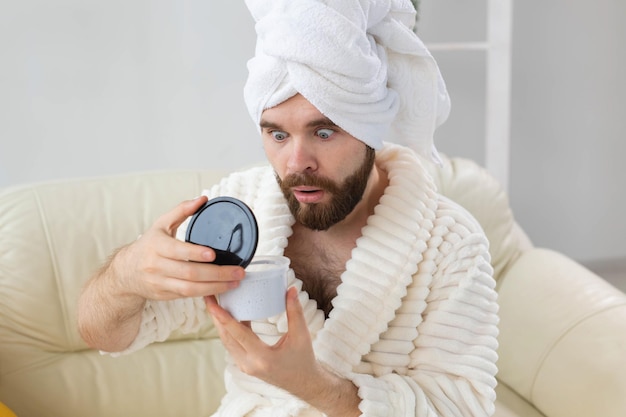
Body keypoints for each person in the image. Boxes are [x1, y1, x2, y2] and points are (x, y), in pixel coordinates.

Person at [78, 0, 499, 416]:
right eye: (278, 135)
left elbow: (461, 409)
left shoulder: (449, 243)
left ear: (370, 129)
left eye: (323, 131)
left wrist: (312, 386)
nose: (297, 163)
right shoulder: (238, 210)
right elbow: (105, 336)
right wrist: (125, 275)